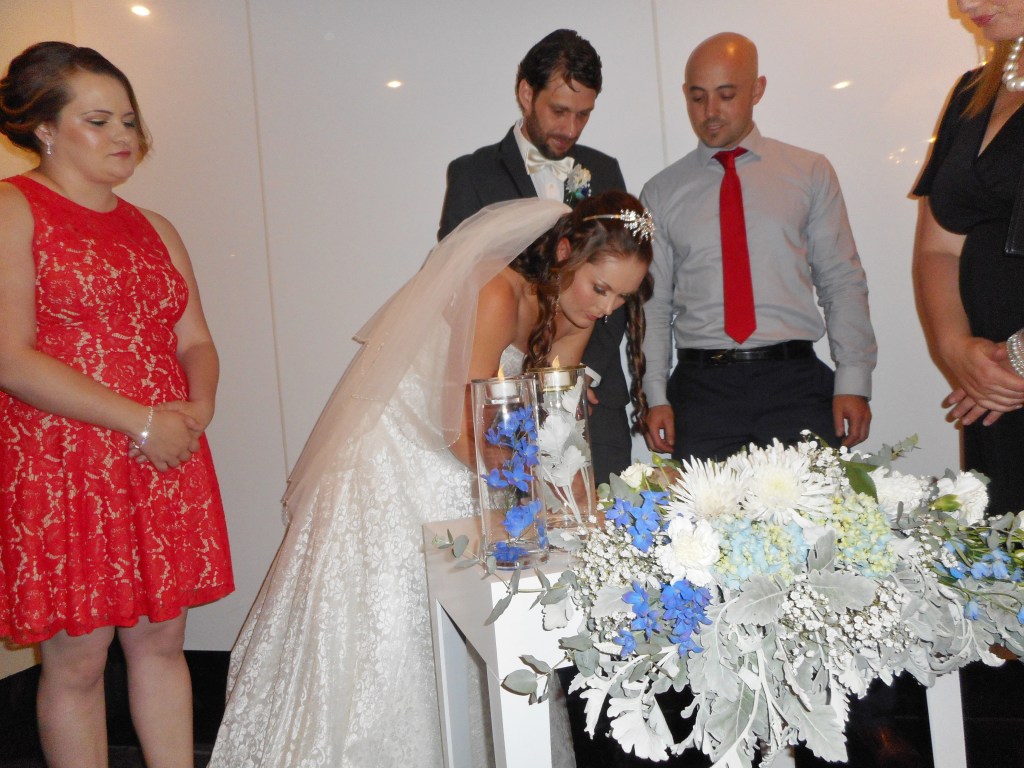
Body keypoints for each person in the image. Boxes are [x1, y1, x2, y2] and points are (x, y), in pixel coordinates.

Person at [209, 191, 653, 768]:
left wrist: (580, 513)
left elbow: (559, 432)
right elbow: (459, 425)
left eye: (621, 297)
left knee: (487, 613)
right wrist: (518, 495)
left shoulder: (575, 316)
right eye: (600, 288)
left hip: (469, 458)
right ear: (566, 251)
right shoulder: (497, 290)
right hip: (398, 454)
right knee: (390, 622)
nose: (606, 308)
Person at [0, 42, 233, 768]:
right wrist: (143, 420)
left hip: (161, 454)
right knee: (78, 659)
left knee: (163, 643)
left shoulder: (155, 226)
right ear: (44, 128)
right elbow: (9, 357)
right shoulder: (12, 208)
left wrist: (195, 410)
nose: (124, 136)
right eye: (98, 121)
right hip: (65, 460)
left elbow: (196, 340)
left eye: (128, 120)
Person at [641, 32, 877, 463]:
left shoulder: (809, 172)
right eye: (697, 98)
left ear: (757, 89)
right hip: (701, 391)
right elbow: (653, 304)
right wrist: (654, 394)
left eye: (726, 95)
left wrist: (853, 381)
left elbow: (841, 281)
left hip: (794, 383)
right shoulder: (661, 192)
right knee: (703, 509)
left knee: (816, 507)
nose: (710, 112)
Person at [439, 28, 636, 484]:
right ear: (526, 93)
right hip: (499, 398)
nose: (571, 129)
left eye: (583, 115)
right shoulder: (472, 175)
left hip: (592, 397)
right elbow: (455, 289)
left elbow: (618, 283)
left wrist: (580, 376)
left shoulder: (604, 170)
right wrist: (517, 387)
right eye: (559, 111)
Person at [913, 0, 1024, 517]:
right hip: (994, 390)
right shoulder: (972, 92)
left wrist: (1017, 360)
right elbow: (938, 246)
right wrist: (956, 349)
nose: (967, 4)